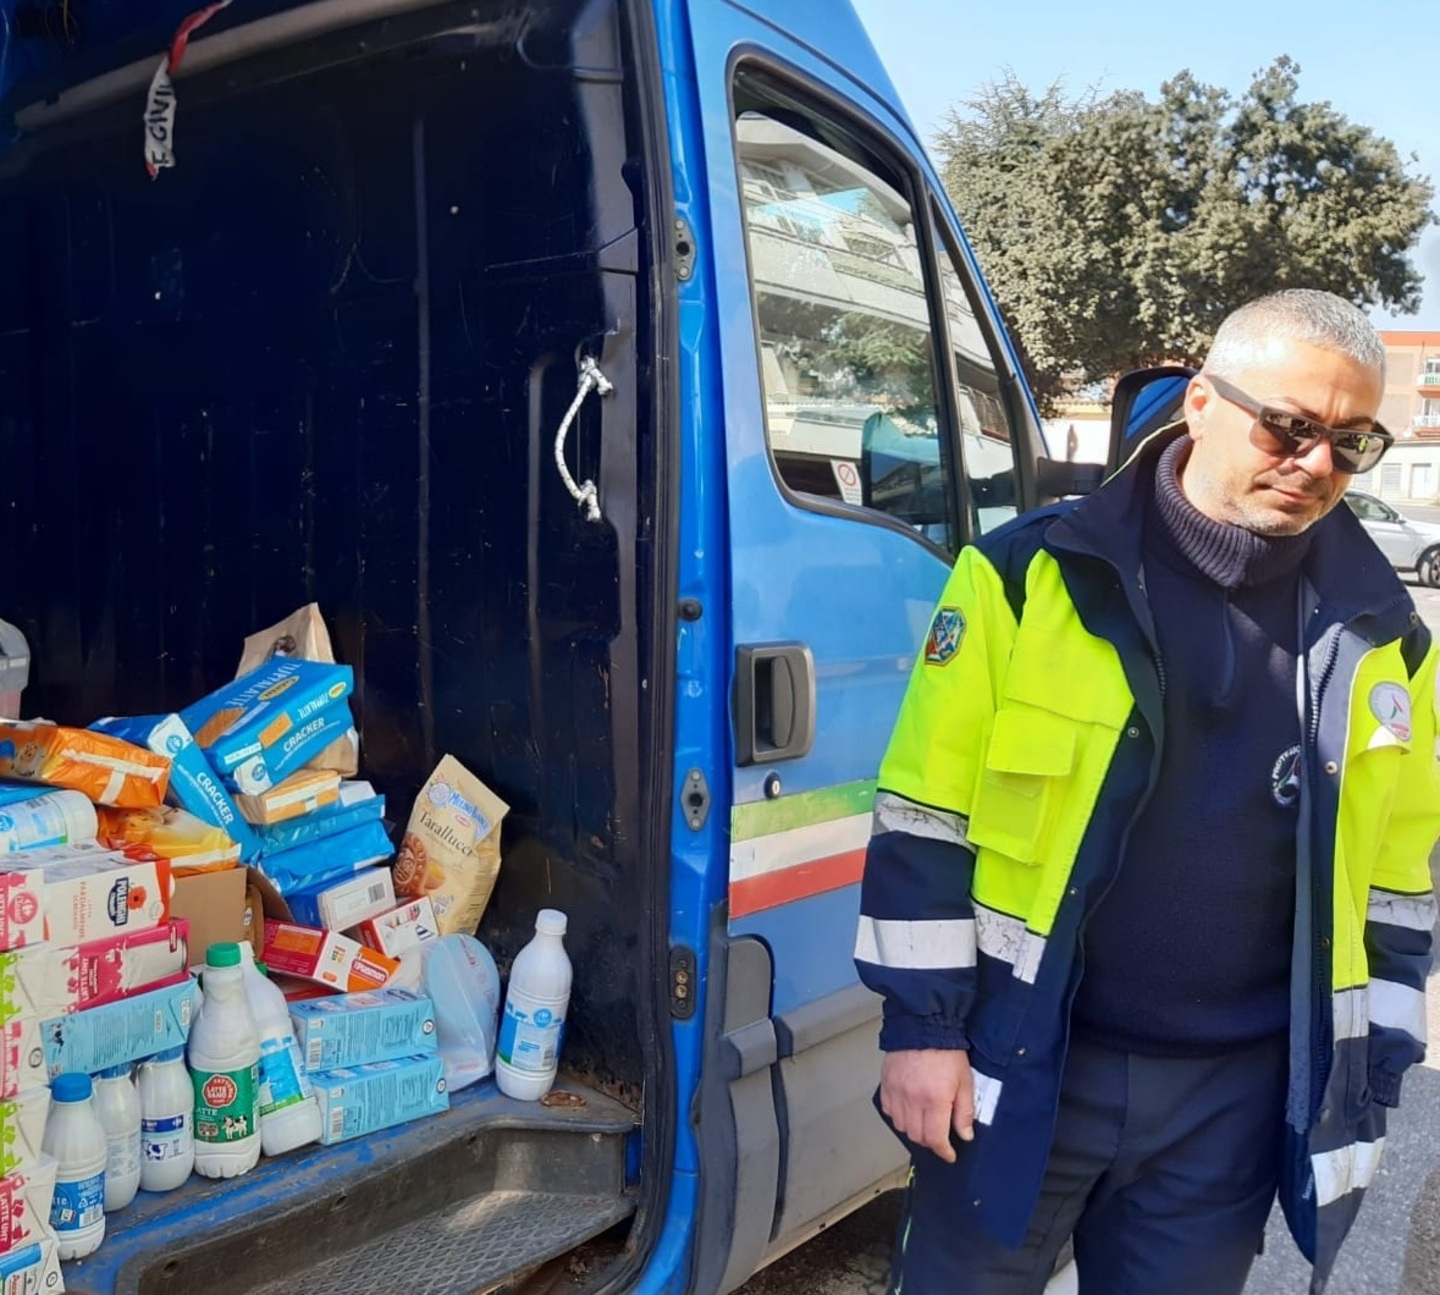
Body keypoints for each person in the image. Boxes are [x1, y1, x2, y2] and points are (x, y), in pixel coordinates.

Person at [854, 289, 1440, 1295]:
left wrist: (1375, 1061)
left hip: (1231, 1107)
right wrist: (922, 1026)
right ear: (1202, 402)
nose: (1317, 464)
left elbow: (1399, 877)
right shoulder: (1028, 575)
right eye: (1291, 425)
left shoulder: (1390, 639)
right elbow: (924, 818)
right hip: (1026, 1064)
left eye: (1353, 443)